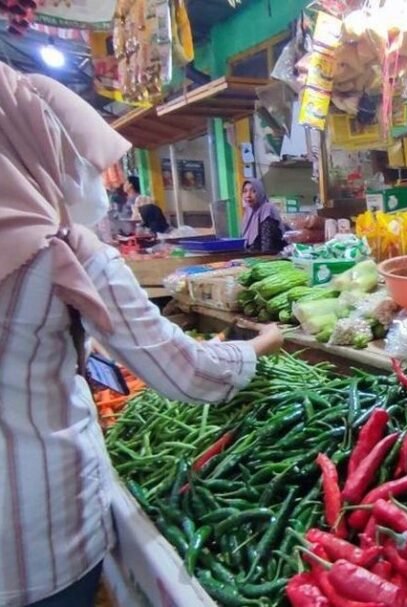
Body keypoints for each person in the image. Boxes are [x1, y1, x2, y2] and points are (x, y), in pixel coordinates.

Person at [0, 61, 284, 607]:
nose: (92, 179)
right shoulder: (66, 256)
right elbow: (186, 373)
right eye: (79, 161)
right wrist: (258, 345)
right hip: (37, 535)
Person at [240, 178, 285, 253]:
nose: (248, 195)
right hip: (254, 259)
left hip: (271, 260)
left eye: (253, 191)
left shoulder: (267, 210)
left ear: (260, 192)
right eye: (245, 191)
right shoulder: (249, 212)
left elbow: (267, 248)